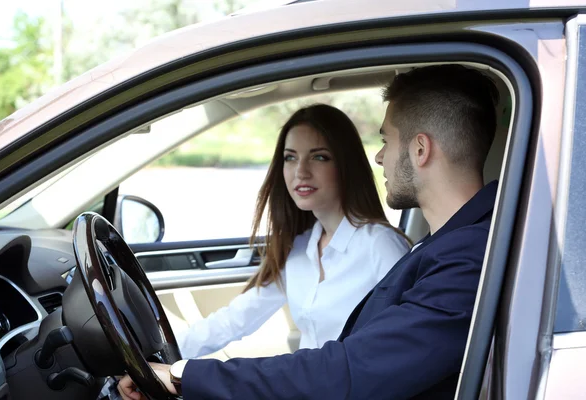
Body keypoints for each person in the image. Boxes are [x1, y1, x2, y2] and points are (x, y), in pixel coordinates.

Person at [118, 64, 500, 400]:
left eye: (385, 140)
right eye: (290, 158)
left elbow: (348, 371)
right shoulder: (440, 246)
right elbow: (237, 322)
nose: (380, 156)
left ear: (420, 150)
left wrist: (186, 375)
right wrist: (157, 363)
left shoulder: (460, 256)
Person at [174, 103, 410, 359]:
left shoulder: (380, 245)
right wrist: (161, 355)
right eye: (290, 157)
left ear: (346, 165)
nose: (301, 172)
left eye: (319, 157)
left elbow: (404, 344)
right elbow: (234, 320)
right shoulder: (299, 248)